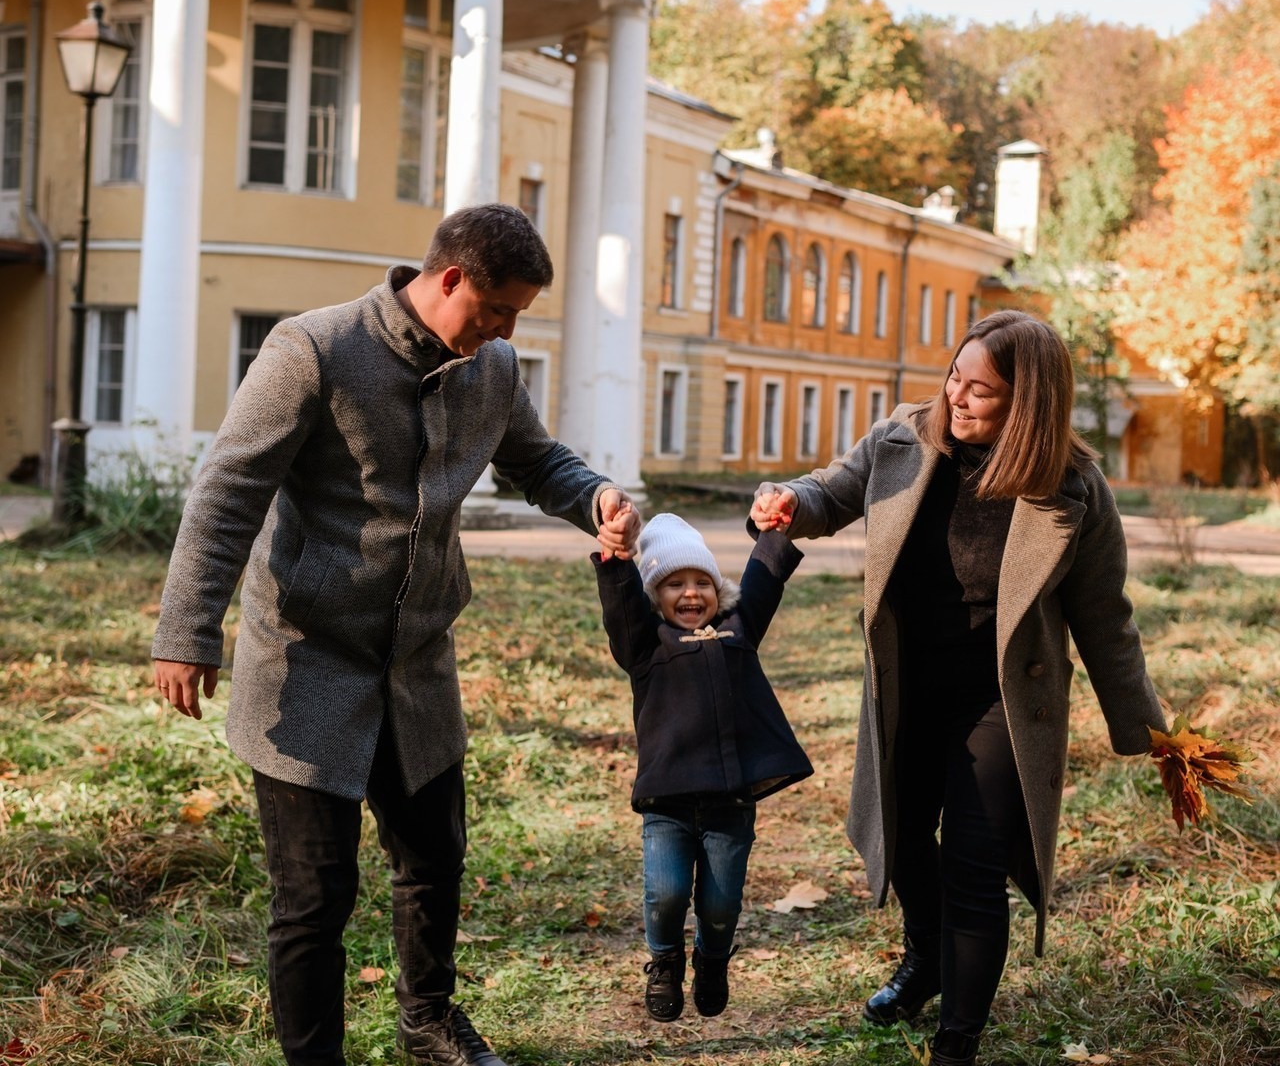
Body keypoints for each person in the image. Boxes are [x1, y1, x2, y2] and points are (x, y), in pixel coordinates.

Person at [151, 203, 641, 1066]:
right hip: (308, 660)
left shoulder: (489, 366)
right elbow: (229, 490)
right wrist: (186, 630)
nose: (502, 330)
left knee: (434, 858)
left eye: (516, 317)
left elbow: (534, 459)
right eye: (496, 310)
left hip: (417, 664)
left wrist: (593, 495)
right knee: (313, 895)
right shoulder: (314, 348)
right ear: (449, 279)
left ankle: (428, 1021)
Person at [751, 310, 1166, 1066]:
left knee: (974, 865)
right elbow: (831, 492)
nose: (958, 397)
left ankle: (956, 1044)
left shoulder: (1071, 488)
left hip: (1002, 704)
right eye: (955, 377)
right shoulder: (903, 440)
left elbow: (1106, 618)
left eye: (983, 391)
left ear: (1029, 405)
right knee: (904, 839)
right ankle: (925, 959)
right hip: (906, 686)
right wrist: (788, 501)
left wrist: (1151, 731)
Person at [593, 513, 813, 1022]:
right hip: (667, 802)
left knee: (720, 905)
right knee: (666, 893)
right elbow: (620, 605)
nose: (690, 595)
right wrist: (615, 558)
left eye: (702, 583)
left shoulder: (738, 629)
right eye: (674, 584)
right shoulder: (645, 648)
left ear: (719, 591)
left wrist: (775, 530)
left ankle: (712, 962)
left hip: (729, 804)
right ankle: (665, 961)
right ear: (654, 596)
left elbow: (764, 578)